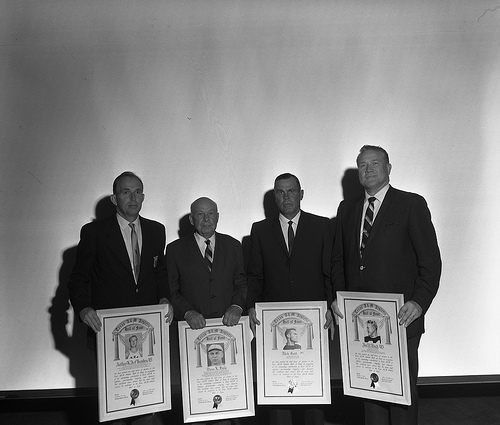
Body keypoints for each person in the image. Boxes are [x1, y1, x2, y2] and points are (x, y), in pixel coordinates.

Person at [332, 145, 442, 425]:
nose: (368, 169)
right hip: (360, 321)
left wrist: (419, 302)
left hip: (401, 318)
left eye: (375, 163)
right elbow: (339, 260)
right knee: (370, 391)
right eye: (362, 165)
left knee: (401, 393)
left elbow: (430, 262)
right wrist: (338, 297)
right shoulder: (347, 209)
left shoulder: (411, 204)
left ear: (389, 168)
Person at [68, 171, 172, 425]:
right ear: (115, 199)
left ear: (143, 196)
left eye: (137, 192)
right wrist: (83, 309)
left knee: (146, 405)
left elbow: (159, 273)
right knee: (115, 407)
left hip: (147, 332)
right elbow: (78, 278)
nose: (133, 198)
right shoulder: (94, 232)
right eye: (126, 192)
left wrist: (164, 298)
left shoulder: (156, 230)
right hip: (109, 333)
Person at [247, 172, 334, 425]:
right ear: (274, 197)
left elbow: (329, 271)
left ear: (301, 194)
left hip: (313, 321)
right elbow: (255, 275)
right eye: (280, 192)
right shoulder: (260, 230)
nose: (286, 197)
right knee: (278, 393)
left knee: (313, 391)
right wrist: (251, 306)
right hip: (275, 323)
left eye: (291, 191)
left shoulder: (321, 226)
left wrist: (331, 306)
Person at [166, 197, 247, 329]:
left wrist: (236, 306)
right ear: (191, 219)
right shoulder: (175, 250)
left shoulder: (233, 246)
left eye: (211, 213)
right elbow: (172, 290)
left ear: (217, 217)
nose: (206, 219)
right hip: (191, 328)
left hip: (229, 326)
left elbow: (241, 283)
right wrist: (187, 312)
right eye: (200, 214)